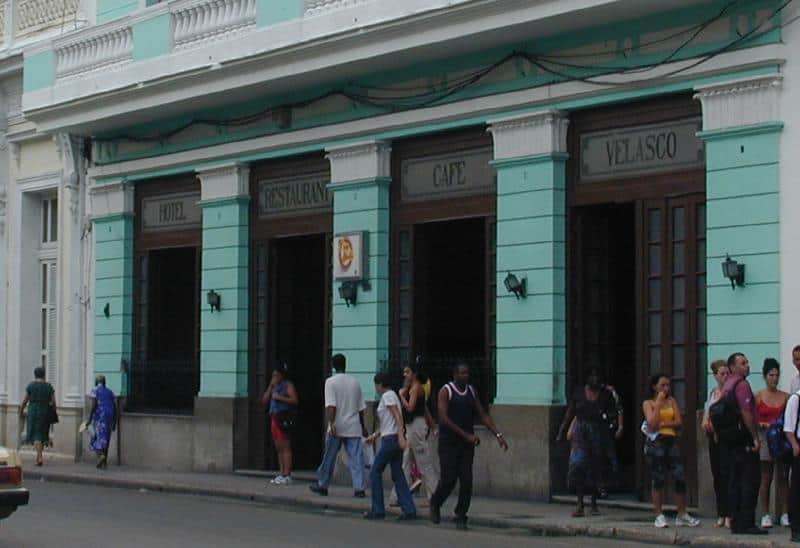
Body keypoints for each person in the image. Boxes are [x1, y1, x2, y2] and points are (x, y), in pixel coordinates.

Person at [429, 362, 508, 530]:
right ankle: (435, 503)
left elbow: (483, 414)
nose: (466, 376)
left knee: (467, 480)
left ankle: (461, 513)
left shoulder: (471, 391)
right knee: (448, 479)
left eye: (467, 373)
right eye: (462, 373)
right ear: (455, 375)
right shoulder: (446, 391)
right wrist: (465, 435)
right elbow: (443, 417)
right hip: (449, 442)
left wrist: (498, 434)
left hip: (466, 444)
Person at [642, 373, 700, 529]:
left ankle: (681, 513)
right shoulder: (649, 403)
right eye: (662, 385)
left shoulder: (672, 401)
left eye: (668, 385)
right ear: (654, 387)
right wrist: (659, 404)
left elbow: (679, 421)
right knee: (658, 478)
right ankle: (659, 514)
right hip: (657, 442)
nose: (666, 388)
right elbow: (652, 424)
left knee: (679, 476)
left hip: (671, 440)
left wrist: (664, 422)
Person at [719, 352, 767, 535]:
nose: (747, 366)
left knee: (734, 481)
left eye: (747, 362)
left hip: (730, 441)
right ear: (733, 367)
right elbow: (747, 412)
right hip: (743, 439)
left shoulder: (727, 385)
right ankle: (747, 523)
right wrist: (754, 437)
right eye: (743, 363)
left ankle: (736, 521)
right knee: (750, 481)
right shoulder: (742, 385)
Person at [556, 368, 622, 500]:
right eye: (592, 375)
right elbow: (570, 413)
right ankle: (579, 499)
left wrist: (614, 426)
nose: (595, 378)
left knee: (597, 464)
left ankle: (596, 495)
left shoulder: (606, 394)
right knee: (578, 465)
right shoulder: (579, 393)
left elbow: (615, 412)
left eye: (597, 375)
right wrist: (561, 431)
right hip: (581, 432)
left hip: (598, 432)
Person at [310, 354, 368, 497]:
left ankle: (323, 484)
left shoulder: (330, 382)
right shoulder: (355, 382)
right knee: (356, 459)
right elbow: (361, 408)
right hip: (354, 425)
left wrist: (331, 423)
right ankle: (359, 488)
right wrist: (363, 426)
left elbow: (331, 406)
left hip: (338, 425)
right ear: (345, 365)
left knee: (329, 457)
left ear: (333, 366)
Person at [363, 372, 417, 521]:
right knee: (397, 474)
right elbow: (390, 422)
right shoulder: (393, 395)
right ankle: (409, 508)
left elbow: (398, 417)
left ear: (380, 384)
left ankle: (378, 509)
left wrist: (400, 436)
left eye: (376, 385)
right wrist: (375, 436)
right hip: (391, 437)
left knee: (375, 471)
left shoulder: (387, 396)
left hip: (391, 440)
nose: (376, 388)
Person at [755, 358, 789, 528]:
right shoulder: (759, 396)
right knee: (766, 477)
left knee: (783, 476)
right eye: (771, 375)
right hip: (765, 438)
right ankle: (765, 513)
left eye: (776, 375)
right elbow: (752, 417)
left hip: (781, 439)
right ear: (765, 376)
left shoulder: (785, 396)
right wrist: (760, 425)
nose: (774, 378)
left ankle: (784, 512)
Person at [397, 362, 438, 502]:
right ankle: (399, 494)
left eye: (407, 372)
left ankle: (435, 494)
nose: (405, 375)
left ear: (414, 374)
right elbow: (425, 409)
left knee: (423, 461)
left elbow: (410, 407)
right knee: (406, 460)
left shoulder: (416, 388)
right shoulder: (412, 388)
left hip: (416, 426)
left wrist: (401, 396)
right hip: (413, 426)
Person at [701, 359, 731, 528]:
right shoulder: (713, 393)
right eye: (722, 374)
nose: (725, 377)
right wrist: (705, 422)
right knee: (717, 475)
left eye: (727, 373)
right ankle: (721, 512)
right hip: (713, 437)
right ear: (715, 376)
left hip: (725, 437)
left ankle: (729, 513)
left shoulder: (730, 393)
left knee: (728, 475)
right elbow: (707, 411)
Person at [262, 363, 298, 485]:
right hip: (274, 417)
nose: (274, 377)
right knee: (278, 447)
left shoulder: (287, 385)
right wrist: (270, 387)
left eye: (276, 375)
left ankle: (287, 474)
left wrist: (280, 398)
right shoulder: (273, 387)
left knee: (285, 446)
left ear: (281, 375)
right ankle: (281, 472)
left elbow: (294, 400)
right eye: (273, 375)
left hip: (283, 417)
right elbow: (264, 400)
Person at [19, 367, 56, 467]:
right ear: (44, 374)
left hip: (33, 411)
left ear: (35, 374)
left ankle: (39, 457)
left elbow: (25, 400)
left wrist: (21, 410)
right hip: (45, 411)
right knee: (43, 434)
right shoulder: (48, 386)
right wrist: (54, 411)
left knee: (35, 434)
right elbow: (53, 401)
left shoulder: (31, 386)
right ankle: (39, 456)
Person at [566, 416, 599, 517]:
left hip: (583, 451)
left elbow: (569, 435)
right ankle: (587, 505)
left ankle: (587, 505)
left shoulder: (589, 420)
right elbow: (569, 435)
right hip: (581, 451)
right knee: (581, 478)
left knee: (587, 478)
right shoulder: (578, 419)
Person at [84, 375, 117, 469]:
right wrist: (114, 422)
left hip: (99, 416)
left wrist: (89, 419)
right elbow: (114, 407)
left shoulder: (95, 390)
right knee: (106, 438)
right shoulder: (110, 392)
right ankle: (104, 463)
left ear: (96, 382)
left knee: (96, 437)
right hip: (109, 417)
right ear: (104, 382)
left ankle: (101, 455)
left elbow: (93, 405)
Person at [783, 381, 800, 543]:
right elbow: (789, 427)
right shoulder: (796, 399)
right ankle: (796, 527)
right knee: (797, 487)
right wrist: (795, 445)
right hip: (799, 445)